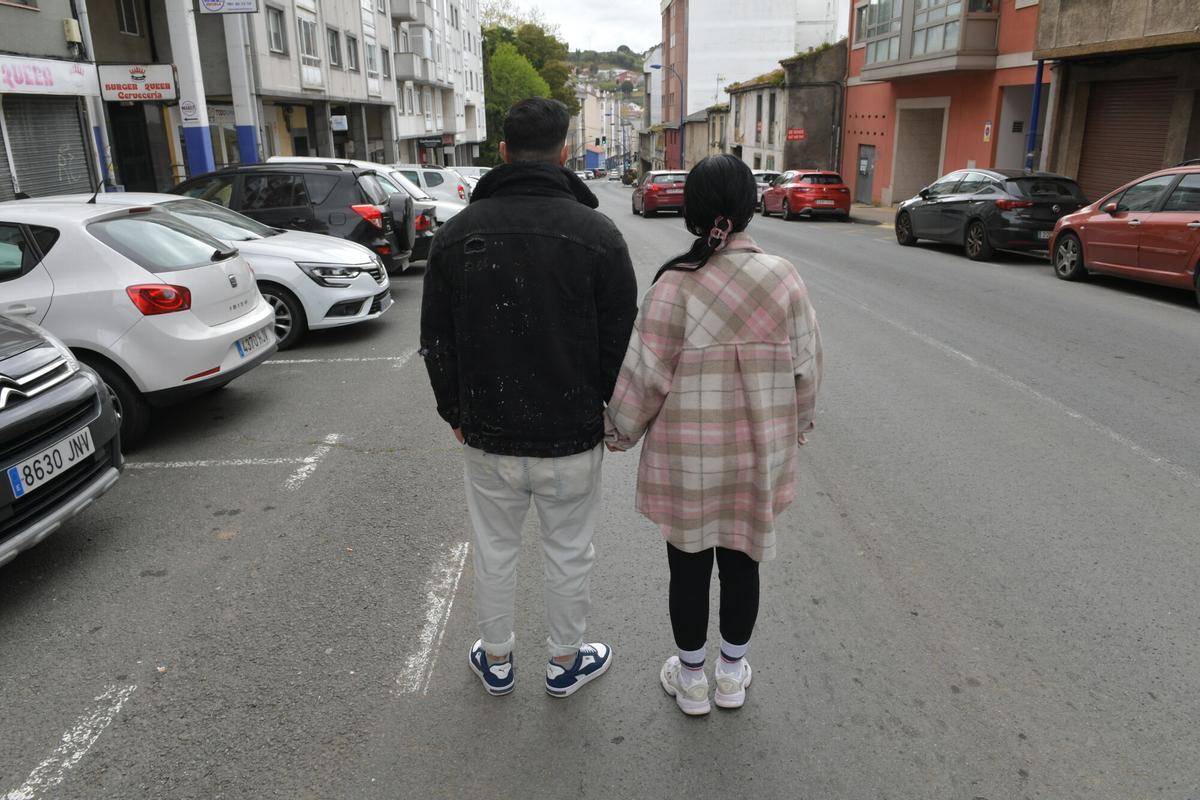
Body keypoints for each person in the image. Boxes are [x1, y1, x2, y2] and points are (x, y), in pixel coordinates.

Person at [420, 98, 638, 698]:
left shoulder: (458, 232)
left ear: (503, 152)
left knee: (493, 549)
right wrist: (604, 410)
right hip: (571, 432)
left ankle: (496, 660)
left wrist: (455, 413)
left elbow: (435, 338)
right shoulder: (598, 233)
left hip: (488, 431)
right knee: (570, 552)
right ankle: (565, 663)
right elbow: (619, 339)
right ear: (565, 152)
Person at [604, 154, 823, 715]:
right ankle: (731, 674)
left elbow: (643, 376)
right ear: (751, 205)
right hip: (756, 455)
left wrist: (618, 432)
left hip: (688, 461)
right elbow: (807, 367)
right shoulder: (783, 278)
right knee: (743, 563)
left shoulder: (674, 286)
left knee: (688, 568)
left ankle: (693, 679)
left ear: (693, 212)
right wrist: (794, 428)